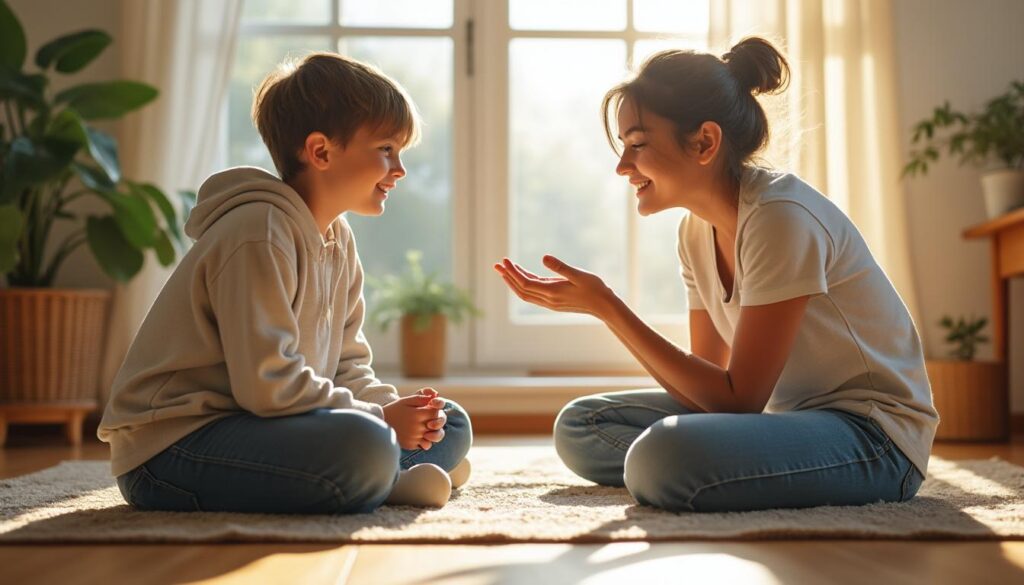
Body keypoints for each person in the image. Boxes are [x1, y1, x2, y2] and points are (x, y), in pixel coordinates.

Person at [495, 37, 937, 512]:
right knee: (582, 426)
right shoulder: (694, 232)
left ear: (705, 142)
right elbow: (703, 393)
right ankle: (714, 470)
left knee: (660, 456)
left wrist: (609, 309)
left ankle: (688, 469)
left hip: (874, 438)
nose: (622, 167)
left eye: (638, 144)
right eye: (623, 147)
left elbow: (738, 400)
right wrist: (606, 310)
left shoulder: (780, 217)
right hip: (781, 419)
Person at [99, 52, 472, 514]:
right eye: (386, 150)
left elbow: (347, 368)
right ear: (320, 152)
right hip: (173, 450)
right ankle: (387, 478)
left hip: (263, 424)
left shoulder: (338, 239)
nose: (399, 169)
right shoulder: (258, 232)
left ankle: (381, 473)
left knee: (451, 423)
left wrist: (405, 414)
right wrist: (382, 421)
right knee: (368, 442)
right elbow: (266, 385)